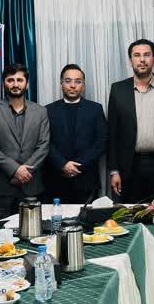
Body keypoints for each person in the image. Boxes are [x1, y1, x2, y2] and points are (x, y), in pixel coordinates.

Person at [108, 39, 154, 203]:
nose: (142, 60)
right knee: (130, 213)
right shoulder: (118, 89)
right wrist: (114, 171)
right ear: (130, 60)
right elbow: (112, 133)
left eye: (147, 55)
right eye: (137, 55)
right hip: (129, 166)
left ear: (153, 59)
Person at [0, 64, 51, 220]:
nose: (15, 84)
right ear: (4, 83)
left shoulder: (41, 111)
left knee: (32, 232)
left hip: (31, 187)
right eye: (10, 80)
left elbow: (44, 146)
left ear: (27, 84)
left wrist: (25, 171)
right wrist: (15, 170)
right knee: (0, 233)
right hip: (0, 189)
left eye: (20, 80)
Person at [44, 64, 108, 203]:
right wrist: (62, 164)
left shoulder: (95, 109)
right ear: (61, 83)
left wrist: (78, 165)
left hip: (87, 180)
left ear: (83, 85)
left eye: (78, 81)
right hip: (56, 180)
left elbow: (101, 142)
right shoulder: (48, 110)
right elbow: (45, 142)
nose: (73, 85)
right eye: (68, 81)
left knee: (87, 217)